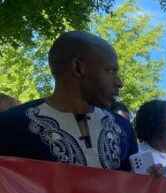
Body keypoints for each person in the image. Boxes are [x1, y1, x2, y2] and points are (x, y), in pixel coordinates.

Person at [0, 31, 137, 170]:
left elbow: (133, 186)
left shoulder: (123, 129)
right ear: (78, 67)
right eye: (111, 70)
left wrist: (151, 178)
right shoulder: (10, 126)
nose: (119, 82)